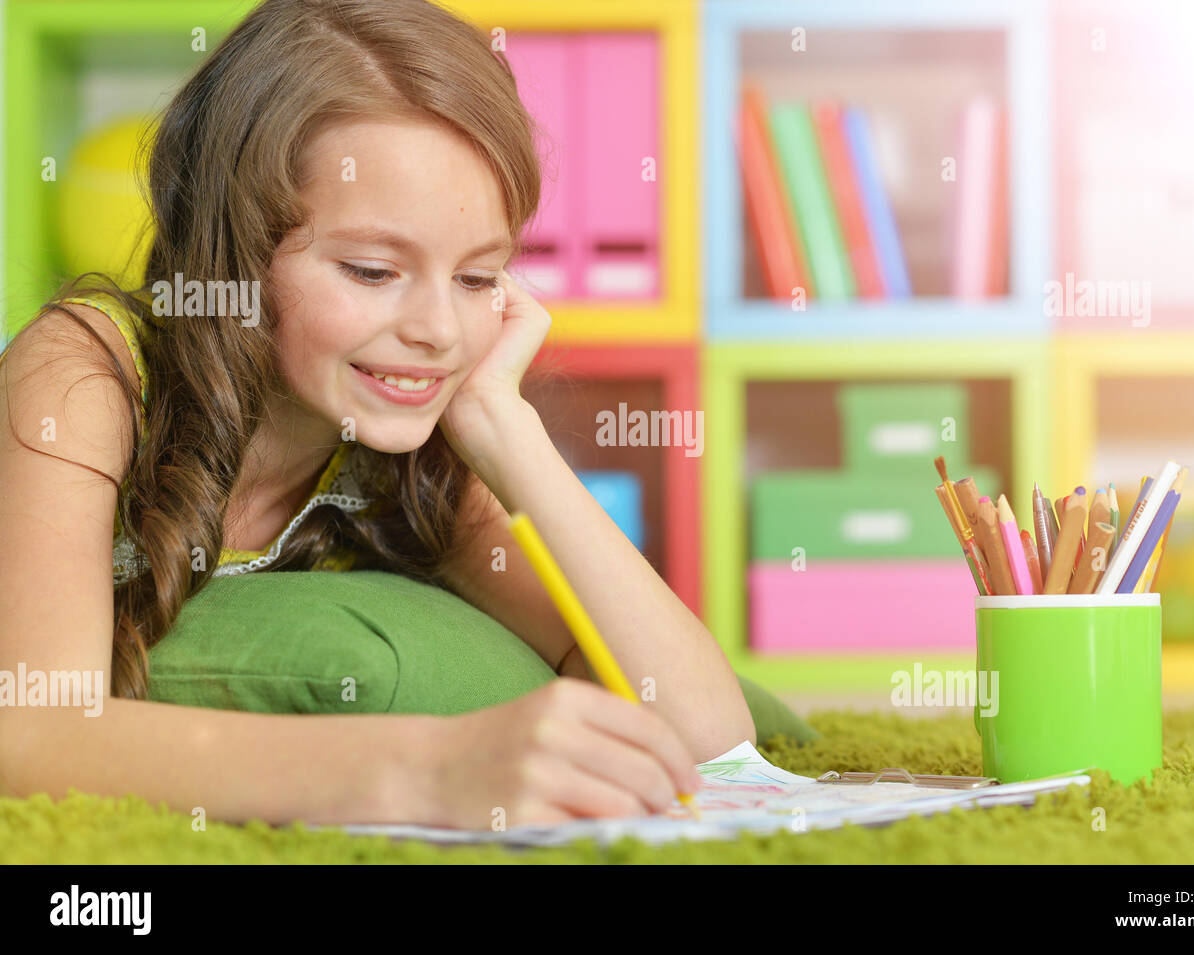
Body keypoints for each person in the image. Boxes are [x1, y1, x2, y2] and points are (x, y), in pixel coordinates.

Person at [0, 0, 753, 830]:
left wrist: (511, 436)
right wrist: (420, 768)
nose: (438, 331)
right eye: (370, 270)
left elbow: (711, 736)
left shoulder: (403, 454)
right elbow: (31, 729)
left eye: (477, 279)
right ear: (238, 253)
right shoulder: (83, 373)